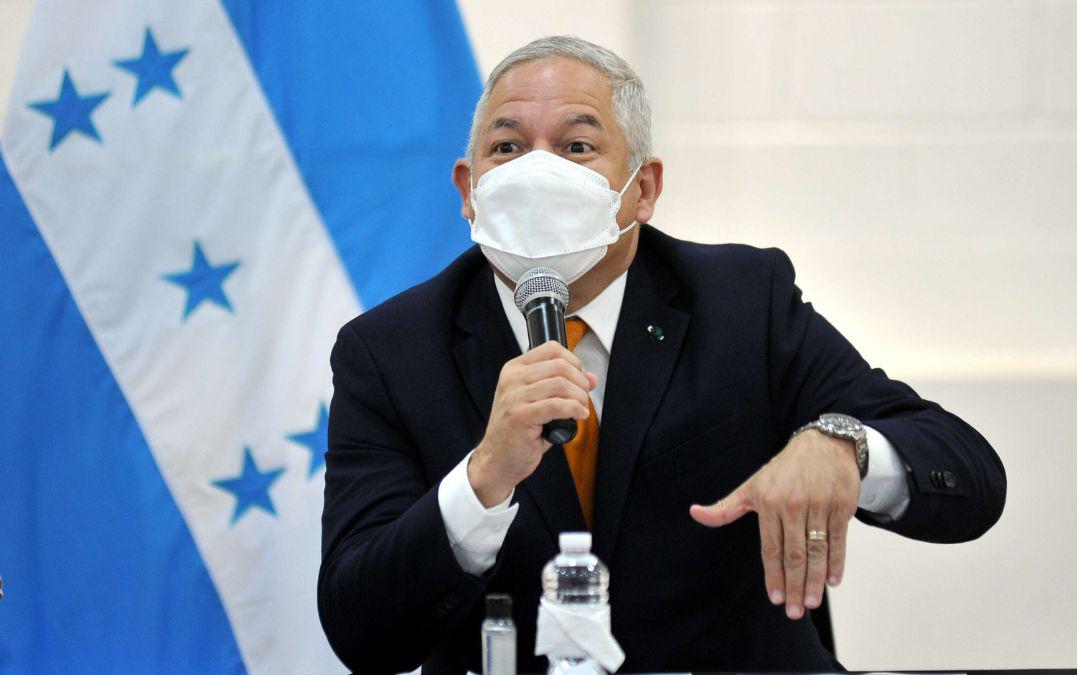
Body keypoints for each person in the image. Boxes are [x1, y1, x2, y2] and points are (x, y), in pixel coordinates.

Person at [318, 36, 1006, 674]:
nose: (536, 171)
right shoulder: (390, 351)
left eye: (577, 146)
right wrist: (482, 478)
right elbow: (360, 629)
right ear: (469, 191)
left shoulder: (744, 302)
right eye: (508, 147)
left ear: (642, 189)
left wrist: (845, 447)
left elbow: (971, 477)